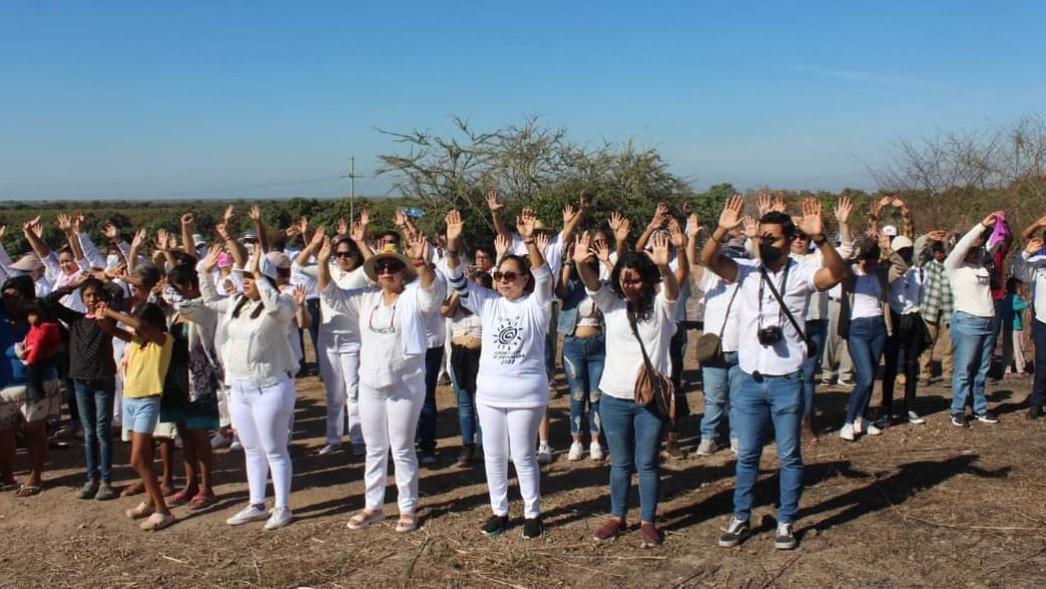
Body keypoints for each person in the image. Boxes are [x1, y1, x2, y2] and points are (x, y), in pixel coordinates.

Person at [704, 195, 847, 551]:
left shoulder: (800, 272)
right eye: (762, 236)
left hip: (786, 380)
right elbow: (707, 260)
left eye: (773, 237)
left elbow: (836, 274)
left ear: (787, 239)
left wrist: (821, 239)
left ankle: (785, 520)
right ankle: (741, 516)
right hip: (750, 379)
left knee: (789, 456)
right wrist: (722, 229)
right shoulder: (746, 272)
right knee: (748, 455)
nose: (766, 242)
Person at [318, 230, 445, 534]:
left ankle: (407, 507)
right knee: (375, 448)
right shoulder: (367, 299)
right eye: (381, 268)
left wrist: (422, 263)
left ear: (403, 271)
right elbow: (330, 294)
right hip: (371, 384)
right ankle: (373, 506)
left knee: (401, 448)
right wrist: (322, 261)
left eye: (392, 267)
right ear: (374, 274)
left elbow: (433, 294)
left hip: (405, 384)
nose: (386, 272)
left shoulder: (413, 295)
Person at [444, 208, 551, 539]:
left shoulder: (537, 304)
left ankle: (532, 513)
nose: (504, 280)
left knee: (522, 454)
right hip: (489, 394)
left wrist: (529, 240)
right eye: (500, 276)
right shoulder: (488, 302)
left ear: (523, 279)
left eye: (511, 275)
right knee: (493, 453)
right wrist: (452, 245)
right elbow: (456, 280)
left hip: (526, 395)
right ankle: (499, 511)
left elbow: (544, 276)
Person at [572, 227, 681, 547]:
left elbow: (672, 290)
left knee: (646, 462)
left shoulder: (663, 308)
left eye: (634, 279)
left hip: (650, 400)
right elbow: (592, 283)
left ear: (647, 280)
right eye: (624, 279)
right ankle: (617, 517)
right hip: (613, 398)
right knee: (619, 463)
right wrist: (581, 264)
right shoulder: (612, 305)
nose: (628, 285)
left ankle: (648, 520)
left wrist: (664, 267)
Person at [200, 245, 299, 530]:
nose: (244, 281)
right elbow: (209, 300)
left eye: (250, 277)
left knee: (274, 448)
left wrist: (261, 277)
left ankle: (282, 507)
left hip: (270, 385)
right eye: (243, 277)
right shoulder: (235, 303)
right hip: (240, 386)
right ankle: (257, 503)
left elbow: (280, 313)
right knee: (251, 448)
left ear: (265, 280)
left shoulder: (283, 302)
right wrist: (205, 272)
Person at [43, 275, 125, 500]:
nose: (92, 299)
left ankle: (106, 481)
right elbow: (47, 303)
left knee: (102, 431)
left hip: (102, 379)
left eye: (96, 295)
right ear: (81, 298)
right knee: (89, 433)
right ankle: (92, 479)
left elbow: (118, 292)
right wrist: (70, 286)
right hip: (80, 381)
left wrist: (100, 280)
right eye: (87, 295)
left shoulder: (107, 320)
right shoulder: (76, 320)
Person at [97, 301, 177, 531]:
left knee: (137, 459)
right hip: (131, 399)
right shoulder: (137, 340)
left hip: (147, 401)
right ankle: (152, 501)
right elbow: (110, 329)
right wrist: (102, 316)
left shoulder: (163, 339)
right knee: (144, 457)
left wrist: (113, 311)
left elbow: (137, 324)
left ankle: (163, 510)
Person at [296, 220, 372, 456]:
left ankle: (359, 438)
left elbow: (374, 267)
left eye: (347, 254)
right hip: (328, 339)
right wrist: (314, 245)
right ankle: (334, 439)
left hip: (353, 340)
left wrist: (361, 242)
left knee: (354, 391)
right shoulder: (327, 269)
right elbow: (298, 266)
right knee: (333, 393)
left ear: (355, 256)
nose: (342, 258)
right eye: (338, 254)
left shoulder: (361, 273)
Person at [164, 263, 221, 509]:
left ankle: (207, 487)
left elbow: (184, 305)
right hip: (178, 377)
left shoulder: (204, 307)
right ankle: (190, 484)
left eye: (176, 286)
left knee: (199, 434)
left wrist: (167, 292)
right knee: (184, 435)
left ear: (188, 286)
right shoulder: (174, 312)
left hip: (199, 378)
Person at [0, 275, 62, 496]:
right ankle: (6, 477)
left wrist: (38, 356)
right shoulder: (1, 314)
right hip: (3, 384)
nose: (10, 301)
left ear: (28, 296)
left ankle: (36, 477)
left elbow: (60, 346)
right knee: (3, 433)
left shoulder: (41, 316)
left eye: (15, 296)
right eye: (5, 296)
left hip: (36, 383)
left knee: (34, 431)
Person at [837, 235, 903, 441]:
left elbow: (901, 268)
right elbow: (840, 264)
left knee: (871, 375)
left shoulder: (882, 274)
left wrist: (888, 249)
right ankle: (848, 422)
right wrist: (858, 252)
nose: (871, 266)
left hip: (878, 327)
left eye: (874, 262)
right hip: (857, 328)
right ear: (859, 260)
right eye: (867, 262)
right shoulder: (850, 275)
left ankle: (863, 419)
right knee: (864, 377)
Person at [945, 212, 1004, 427]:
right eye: (973, 246)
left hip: (988, 320)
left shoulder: (982, 264)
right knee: (964, 369)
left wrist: (999, 224)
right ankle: (957, 409)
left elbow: (998, 241)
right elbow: (962, 245)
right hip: (967, 322)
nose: (976, 248)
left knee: (982, 370)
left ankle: (980, 408)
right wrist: (980, 225)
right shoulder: (953, 266)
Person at [557, 237, 606, 462]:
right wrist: (569, 260)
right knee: (577, 395)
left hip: (599, 346)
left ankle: (595, 440)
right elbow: (560, 290)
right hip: (574, 346)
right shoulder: (574, 287)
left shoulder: (602, 286)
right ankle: (576, 440)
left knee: (596, 395)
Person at [879, 234, 929, 426]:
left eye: (909, 251)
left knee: (911, 367)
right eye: (902, 251)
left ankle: (910, 407)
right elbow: (900, 267)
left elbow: (920, 296)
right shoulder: (890, 270)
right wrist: (891, 252)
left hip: (913, 319)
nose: (906, 254)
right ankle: (887, 410)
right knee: (891, 368)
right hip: (894, 319)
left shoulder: (920, 272)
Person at [442, 273, 489, 466]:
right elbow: (445, 311)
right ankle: (467, 445)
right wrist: (457, 290)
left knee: (480, 404)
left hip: (479, 355)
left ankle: (483, 446)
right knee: (464, 404)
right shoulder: (457, 306)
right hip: (459, 355)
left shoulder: (486, 306)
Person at [1014, 236, 1046, 417]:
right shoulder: (1039, 262)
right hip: (1042, 320)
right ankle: (1037, 403)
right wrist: (1026, 253)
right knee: (1042, 363)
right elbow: (1019, 274)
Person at [918, 239, 954, 385]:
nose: (939, 254)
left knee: (949, 345)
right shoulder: (927, 266)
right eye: (936, 252)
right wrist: (926, 238)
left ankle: (948, 374)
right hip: (930, 309)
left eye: (942, 251)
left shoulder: (951, 266)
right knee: (927, 344)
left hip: (948, 310)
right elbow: (918, 255)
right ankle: (924, 374)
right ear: (933, 253)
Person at [1002, 277, 1029, 377]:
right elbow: (1015, 307)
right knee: (1018, 348)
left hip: (1007, 326)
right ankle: (1020, 368)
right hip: (1015, 327)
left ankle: (1006, 368)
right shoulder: (1015, 298)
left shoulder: (1005, 298)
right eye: (1020, 288)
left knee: (1007, 349)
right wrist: (1026, 304)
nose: (1021, 290)